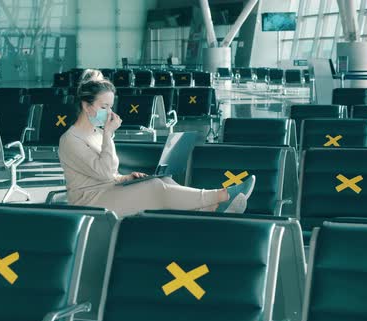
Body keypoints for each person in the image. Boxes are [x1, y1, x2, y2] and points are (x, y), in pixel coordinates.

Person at [58, 69, 256, 218]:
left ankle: (211, 208)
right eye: (104, 106)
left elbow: (107, 174)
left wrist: (125, 178)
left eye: (111, 106)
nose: (109, 112)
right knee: (154, 187)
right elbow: (101, 173)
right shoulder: (70, 140)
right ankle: (221, 196)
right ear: (86, 106)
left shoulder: (96, 133)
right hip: (90, 202)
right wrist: (108, 135)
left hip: (107, 191)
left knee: (165, 181)